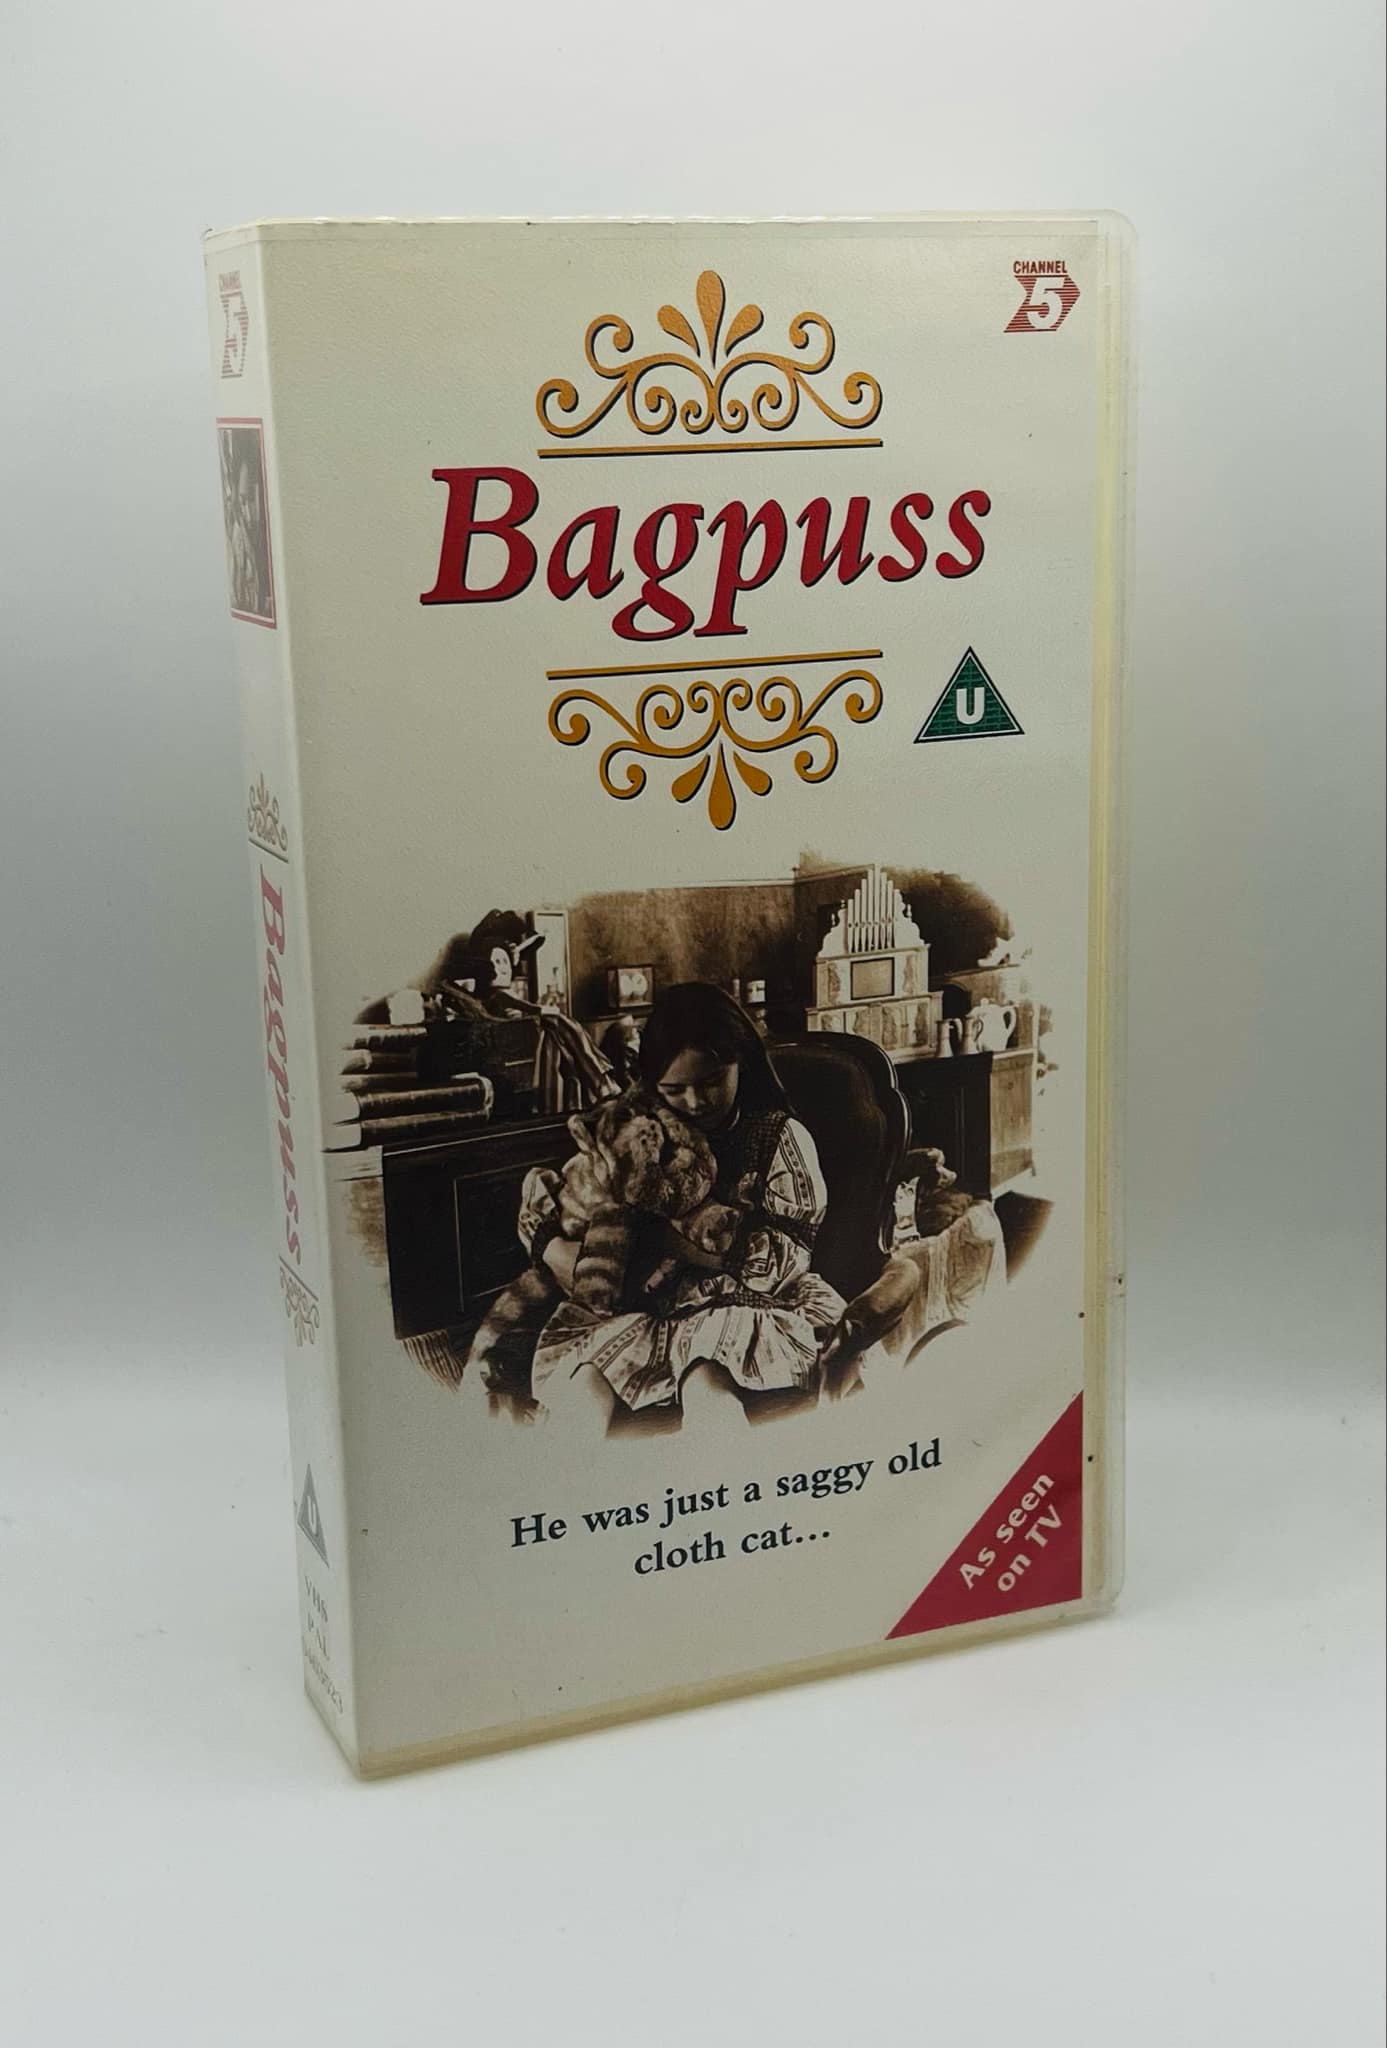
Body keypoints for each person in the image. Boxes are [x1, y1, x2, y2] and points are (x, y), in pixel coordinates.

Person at [521, 982, 846, 1430]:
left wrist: (667, 1242)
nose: (695, 1103)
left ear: (741, 1061)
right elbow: (562, 1198)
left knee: (708, 1378)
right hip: (643, 1304)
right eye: (674, 1090)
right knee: (588, 1383)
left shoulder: (776, 1136)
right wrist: (553, 1246)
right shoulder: (642, 1130)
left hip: (745, 1300)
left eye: (711, 1082)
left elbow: (782, 1263)